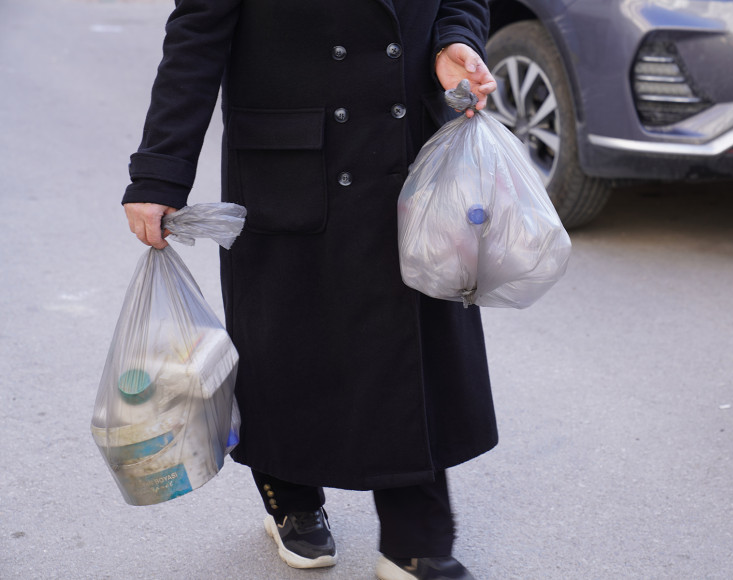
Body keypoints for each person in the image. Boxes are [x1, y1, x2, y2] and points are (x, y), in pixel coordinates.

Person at [121, 2, 499, 579]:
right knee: (287, 342)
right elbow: (197, 33)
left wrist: (455, 39)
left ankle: (415, 539)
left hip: (407, 155)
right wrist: (158, 170)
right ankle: (291, 498)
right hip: (291, 158)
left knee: (408, 341)